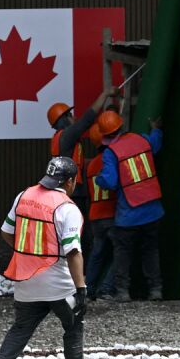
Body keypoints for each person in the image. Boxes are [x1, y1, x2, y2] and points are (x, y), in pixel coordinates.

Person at [0, 157, 104, 359]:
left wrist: (27, 253)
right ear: (70, 181)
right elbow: (73, 252)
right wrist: (81, 289)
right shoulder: (67, 208)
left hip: (26, 281)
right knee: (74, 324)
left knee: (21, 329)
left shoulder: (23, 196)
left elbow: (6, 232)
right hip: (58, 282)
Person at [95, 111, 165, 302]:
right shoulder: (140, 139)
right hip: (153, 209)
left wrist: (99, 178)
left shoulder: (111, 153)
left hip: (129, 214)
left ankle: (123, 291)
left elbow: (109, 181)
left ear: (104, 135)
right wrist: (156, 130)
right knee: (150, 250)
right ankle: (155, 289)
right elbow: (155, 144)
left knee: (123, 252)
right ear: (121, 125)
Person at [47, 89, 119, 197]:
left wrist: (93, 162)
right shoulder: (66, 136)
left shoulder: (60, 138)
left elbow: (73, 162)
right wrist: (105, 94)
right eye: (70, 115)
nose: (74, 117)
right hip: (72, 191)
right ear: (63, 120)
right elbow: (87, 119)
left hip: (65, 189)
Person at [83, 125, 117, 300]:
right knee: (119, 252)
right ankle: (106, 288)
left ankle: (88, 290)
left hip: (95, 214)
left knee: (97, 254)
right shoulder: (112, 159)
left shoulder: (91, 166)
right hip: (111, 212)